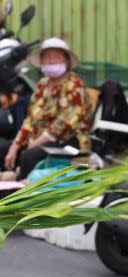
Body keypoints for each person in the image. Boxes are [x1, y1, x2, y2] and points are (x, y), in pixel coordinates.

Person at [0, 37, 93, 180]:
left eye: (56, 57)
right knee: (4, 147)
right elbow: (30, 120)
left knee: (29, 155)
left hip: (69, 142)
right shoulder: (42, 85)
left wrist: (32, 145)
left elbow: (63, 125)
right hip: (40, 140)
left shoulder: (74, 85)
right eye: (47, 57)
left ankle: (23, 194)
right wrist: (15, 146)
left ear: (66, 61)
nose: (50, 61)